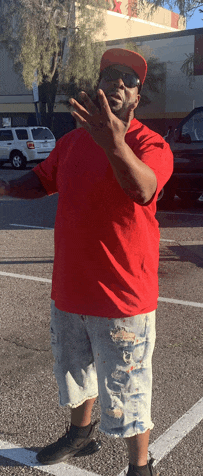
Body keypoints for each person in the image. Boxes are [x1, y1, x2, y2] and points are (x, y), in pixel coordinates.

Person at [0, 48, 173, 476]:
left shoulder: (150, 144)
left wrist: (114, 143)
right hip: (69, 292)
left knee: (130, 391)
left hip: (123, 298)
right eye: (111, 74)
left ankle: (140, 465)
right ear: (98, 83)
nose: (118, 82)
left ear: (137, 96)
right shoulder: (72, 141)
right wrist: (3, 187)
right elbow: (41, 181)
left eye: (129, 79)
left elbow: (144, 188)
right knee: (74, 375)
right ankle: (80, 435)